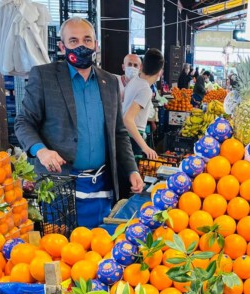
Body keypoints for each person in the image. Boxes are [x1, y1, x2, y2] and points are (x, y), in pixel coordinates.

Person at [15, 17, 142, 228]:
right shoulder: (45, 76)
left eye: (87, 40)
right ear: (62, 46)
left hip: (101, 186)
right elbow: (23, 122)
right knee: (62, 251)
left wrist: (132, 169)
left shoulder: (109, 81)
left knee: (99, 248)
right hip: (60, 187)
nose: (81, 46)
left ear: (96, 45)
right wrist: (41, 151)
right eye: (73, 41)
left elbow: (118, 133)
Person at [122, 48, 163, 161]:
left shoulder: (134, 80)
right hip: (132, 137)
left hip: (124, 136)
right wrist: (145, 147)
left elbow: (121, 97)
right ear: (159, 71)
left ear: (142, 66)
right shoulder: (145, 89)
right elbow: (128, 119)